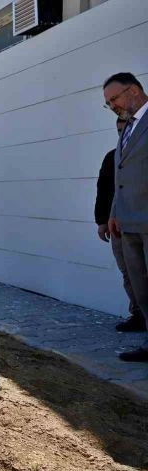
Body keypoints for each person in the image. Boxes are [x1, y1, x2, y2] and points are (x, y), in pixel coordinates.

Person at [105, 72, 148, 362]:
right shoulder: (128, 129)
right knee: (141, 288)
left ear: (133, 91)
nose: (112, 106)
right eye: (107, 103)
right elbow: (120, 176)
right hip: (128, 223)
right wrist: (114, 212)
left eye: (114, 99)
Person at [96, 117, 145, 332]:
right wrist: (101, 221)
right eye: (119, 129)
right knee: (129, 272)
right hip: (117, 226)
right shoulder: (112, 157)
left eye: (125, 128)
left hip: (140, 224)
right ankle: (138, 314)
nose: (122, 132)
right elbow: (104, 190)